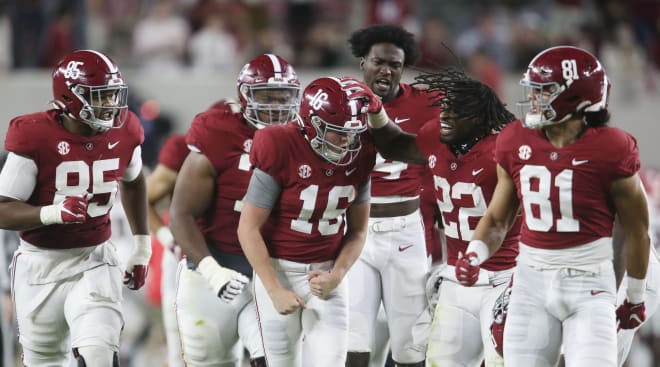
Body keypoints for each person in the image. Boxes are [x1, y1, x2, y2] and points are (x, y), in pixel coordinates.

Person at [453, 46, 651, 367]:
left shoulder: (611, 148)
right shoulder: (515, 139)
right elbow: (498, 217)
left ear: (575, 97)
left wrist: (635, 295)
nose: (533, 99)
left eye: (544, 91)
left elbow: (637, 230)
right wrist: (475, 253)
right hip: (531, 282)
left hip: (589, 283)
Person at [0, 49, 150, 366]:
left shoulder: (126, 131)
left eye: (113, 96)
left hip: (95, 258)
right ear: (71, 98)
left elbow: (134, 181)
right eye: (101, 97)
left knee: (98, 353)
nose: (111, 106)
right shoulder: (35, 136)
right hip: (40, 265)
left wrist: (142, 245)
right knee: (45, 360)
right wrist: (51, 213)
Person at [169, 54, 300, 367]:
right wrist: (212, 271)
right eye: (267, 96)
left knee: (275, 360)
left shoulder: (305, 137)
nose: (277, 106)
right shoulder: (218, 132)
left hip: (275, 273)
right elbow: (181, 214)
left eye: (284, 96)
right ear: (245, 96)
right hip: (217, 269)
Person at [236, 76, 377, 367]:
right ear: (312, 123)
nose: (347, 141)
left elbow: (359, 230)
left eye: (352, 133)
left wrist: (337, 275)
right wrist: (274, 289)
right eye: (338, 132)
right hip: (278, 270)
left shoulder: (361, 154)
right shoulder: (280, 144)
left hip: (326, 274)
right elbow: (247, 228)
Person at [345, 24, 441, 367]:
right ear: (362, 62)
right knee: (352, 341)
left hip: (406, 230)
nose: (386, 69)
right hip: (355, 231)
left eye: (395, 65)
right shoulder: (341, 100)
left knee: (410, 346)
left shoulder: (429, 103)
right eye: (378, 61)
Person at [412, 68, 520, 367]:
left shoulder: (502, 151)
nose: (445, 115)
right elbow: (399, 147)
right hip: (456, 278)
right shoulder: (433, 135)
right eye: (445, 106)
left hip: (504, 278)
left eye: (456, 111)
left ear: (480, 119)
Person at [146, 98, 241, 367]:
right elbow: (144, 198)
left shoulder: (260, 145)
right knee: (181, 348)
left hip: (238, 255)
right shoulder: (184, 149)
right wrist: (167, 239)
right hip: (189, 254)